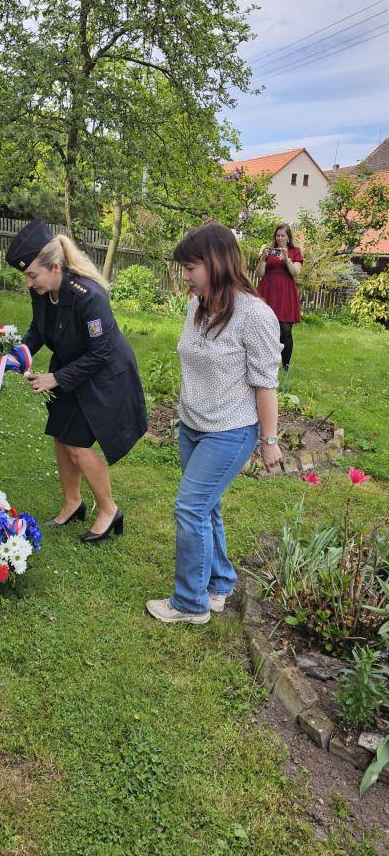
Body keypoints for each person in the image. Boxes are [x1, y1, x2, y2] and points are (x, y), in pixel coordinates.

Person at [146, 223, 282, 625]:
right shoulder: (196, 308)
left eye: (191, 268)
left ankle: (190, 603)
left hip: (230, 431)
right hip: (192, 427)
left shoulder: (254, 315)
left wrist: (269, 440)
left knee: (190, 508)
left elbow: (265, 383)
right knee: (206, 507)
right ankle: (220, 584)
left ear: (217, 263)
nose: (185, 276)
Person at [5, 219, 147, 544]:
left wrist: (55, 378)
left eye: (32, 275)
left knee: (78, 445)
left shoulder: (89, 295)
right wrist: (18, 356)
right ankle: (73, 503)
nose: (29, 282)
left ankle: (109, 510)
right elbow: (39, 328)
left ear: (55, 268)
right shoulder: (42, 291)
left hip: (103, 375)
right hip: (71, 368)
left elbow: (101, 353)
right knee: (61, 435)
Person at [256, 223, 303, 370]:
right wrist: (263, 259)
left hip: (286, 292)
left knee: (285, 330)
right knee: (264, 328)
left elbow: (295, 273)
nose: (280, 238)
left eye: (283, 235)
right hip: (267, 290)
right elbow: (259, 274)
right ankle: (264, 362)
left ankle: (286, 365)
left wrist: (287, 258)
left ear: (289, 237)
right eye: (278, 235)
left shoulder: (295, 251)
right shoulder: (268, 250)